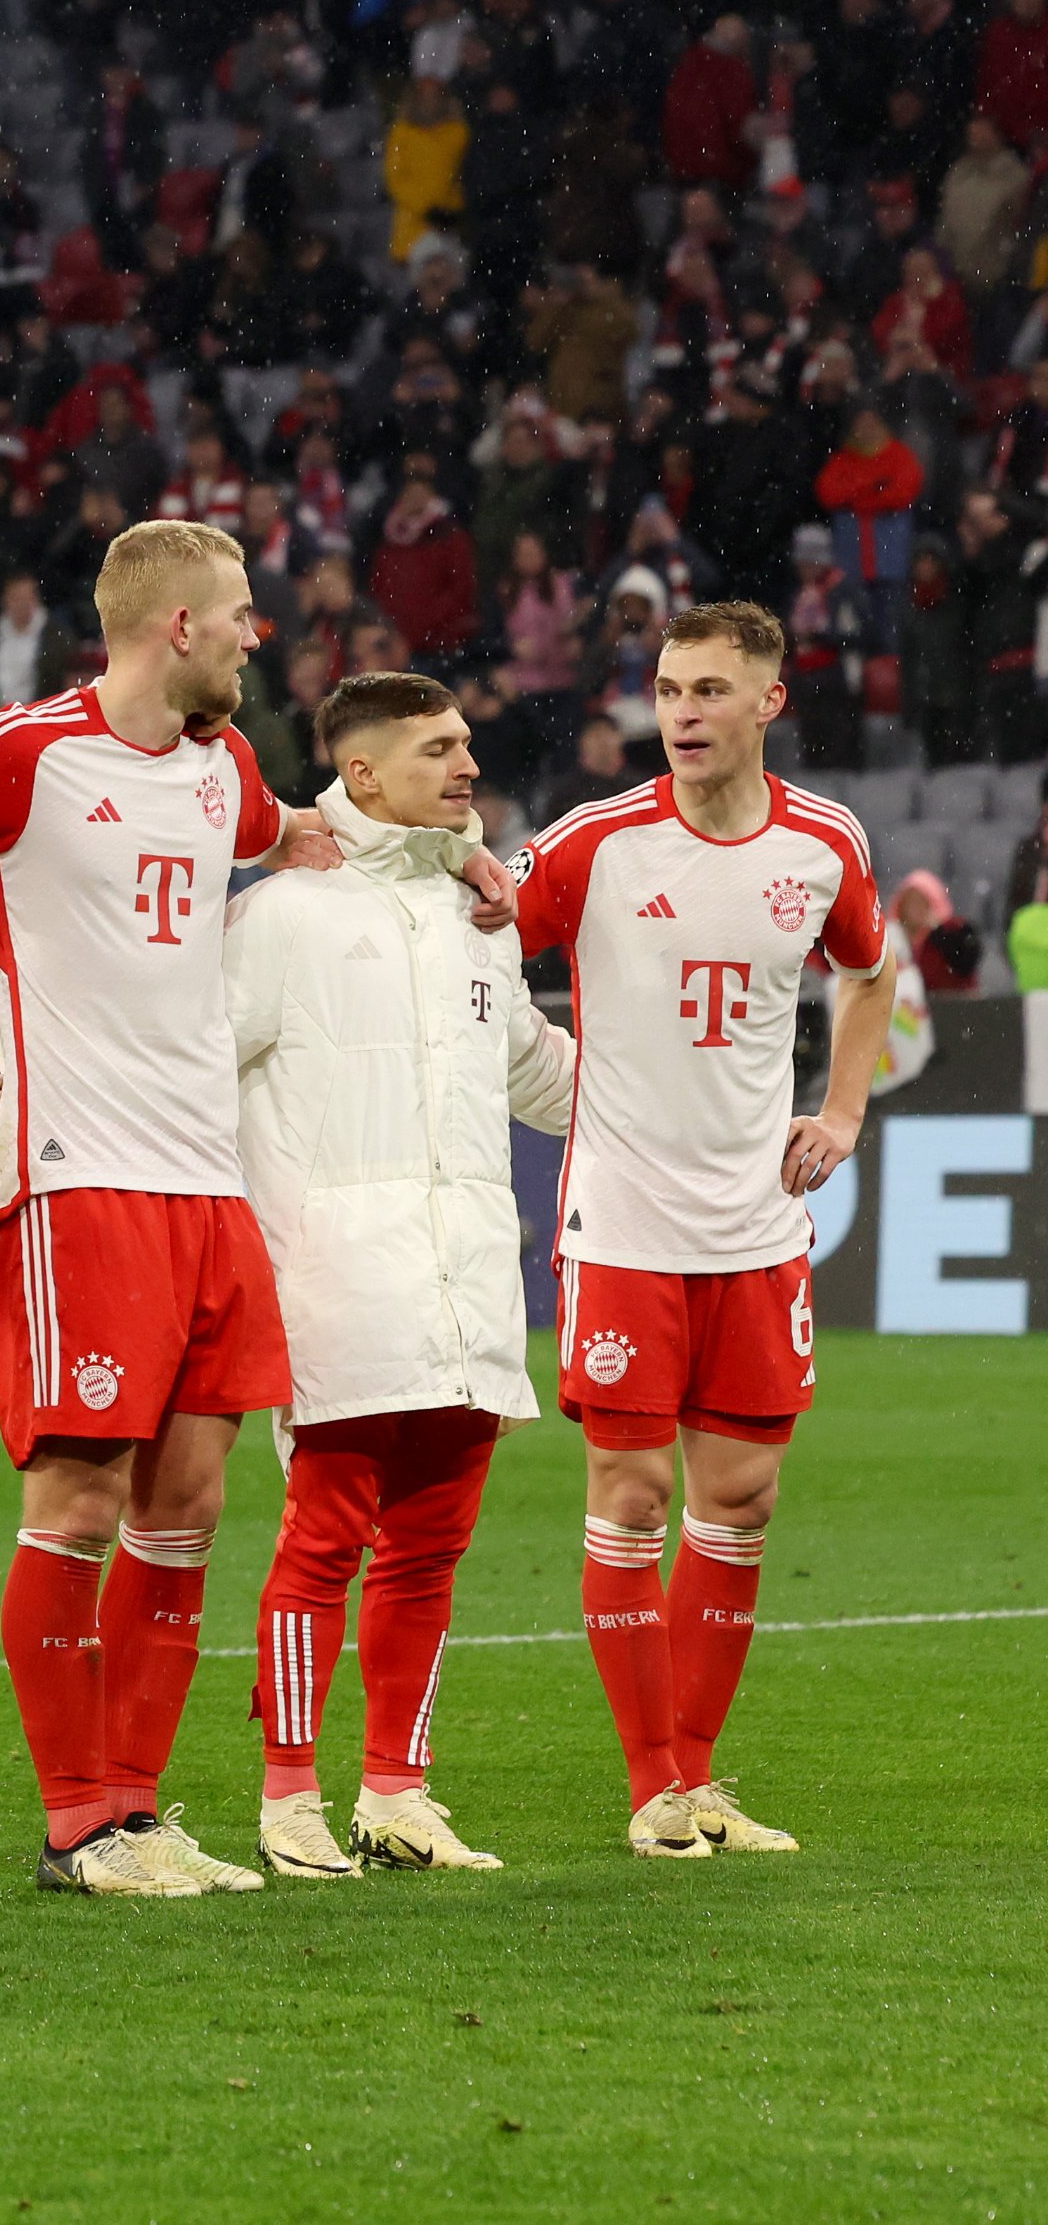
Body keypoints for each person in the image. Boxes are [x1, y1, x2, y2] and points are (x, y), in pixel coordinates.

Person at [0, 519, 500, 1898]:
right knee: (81, 1501)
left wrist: (450, 854)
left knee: (187, 1507)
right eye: (236, 614)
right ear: (175, 625)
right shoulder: (24, 753)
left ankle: (142, 1810)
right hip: (79, 1177)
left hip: (205, 1186)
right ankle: (75, 1824)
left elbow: (304, 831)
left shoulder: (221, 764)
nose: (254, 634)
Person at [509, 600, 890, 1858]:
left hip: (756, 1224)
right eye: (669, 688)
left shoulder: (824, 844)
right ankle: (654, 1787)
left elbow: (871, 967)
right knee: (628, 1495)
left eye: (710, 690)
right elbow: (465, 939)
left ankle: (700, 1778)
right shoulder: (596, 841)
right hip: (620, 1220)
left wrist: (839, 1108)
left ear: (768, 702)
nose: (680, 711)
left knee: (741, 1496)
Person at [226, 673, 574, 1880]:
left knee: (429, 1550)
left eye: (469, 741)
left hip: (468, 1274)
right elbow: (184, 1059)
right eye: (438, 748)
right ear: (360, 773)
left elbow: (531, 1070)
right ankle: (286, 1799)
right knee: (319, 1543)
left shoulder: (478, 913)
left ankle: (396, 1794)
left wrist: (681, 1083)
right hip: (337, 1275)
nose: (467, 763)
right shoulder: (284, 912)